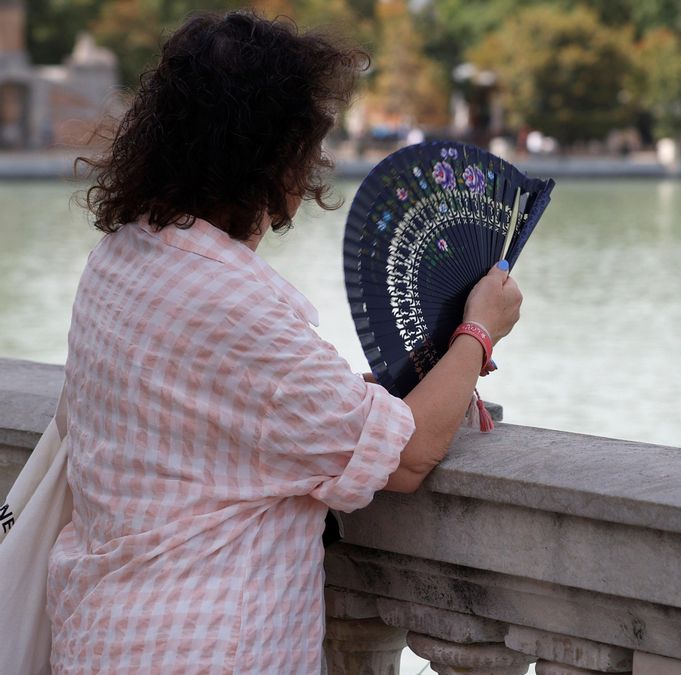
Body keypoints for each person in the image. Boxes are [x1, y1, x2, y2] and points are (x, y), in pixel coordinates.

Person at [47, 12, 522, 673]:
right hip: (205, 650)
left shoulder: (121, 257)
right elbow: (408, 455)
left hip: (101, 635)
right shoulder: (234, 304)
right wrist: (479, 329)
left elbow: (219, 410)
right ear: (271, 156)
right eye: (309, 147)